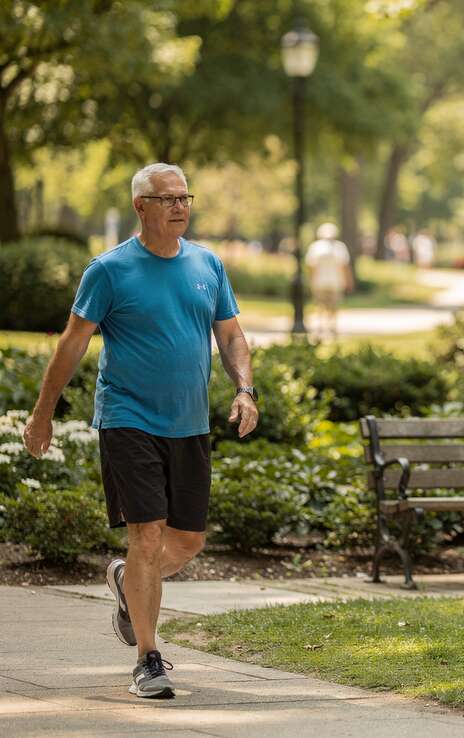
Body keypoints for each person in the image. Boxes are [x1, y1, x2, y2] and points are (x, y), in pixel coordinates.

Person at [22, 163, 258, 698]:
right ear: (140, 207)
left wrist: (245, 389)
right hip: (128, 418)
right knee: (147, 534)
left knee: (188, 540)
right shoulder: (109, 270)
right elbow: (72, 342)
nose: (180, 206)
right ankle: (149, 659)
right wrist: (43, 412)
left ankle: (128, 581)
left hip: (190, 422)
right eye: (167, 198)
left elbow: (231, 335)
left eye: (184, 197)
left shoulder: (207, 264)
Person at [304, 222, 353, 340]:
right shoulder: (340, 247)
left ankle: (321, 326)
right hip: (335, 281)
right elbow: (344, 267)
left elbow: (311, 267)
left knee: (320, 304)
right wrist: (348, 281)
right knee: (333, 306)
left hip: (319, 281)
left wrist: (311, 280)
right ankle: (331, 326)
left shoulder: (315, 247)